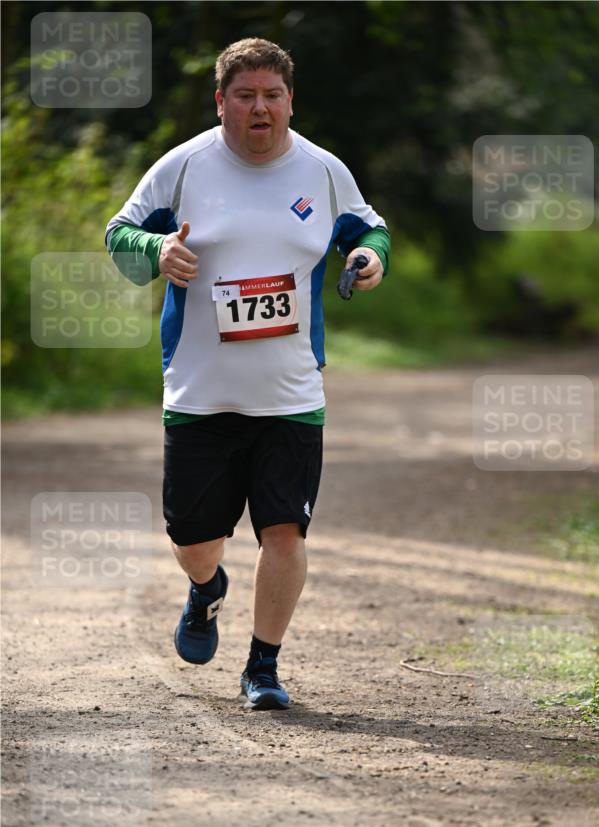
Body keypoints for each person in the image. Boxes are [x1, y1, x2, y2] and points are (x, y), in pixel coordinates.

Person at [105, 37, 390, 710]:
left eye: (272, 95)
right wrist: (156, 249)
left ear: (289, 100)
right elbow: (120, 236)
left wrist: (368, 260)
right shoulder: (183, 167)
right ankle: (206, 589)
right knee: (194, 543)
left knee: (283, 530)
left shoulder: (321, 170)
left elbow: (367, 230)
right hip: (200, 391)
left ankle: (262, 667)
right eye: (245, 95)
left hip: (291, 391)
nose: (259, 108)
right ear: (221, 102)